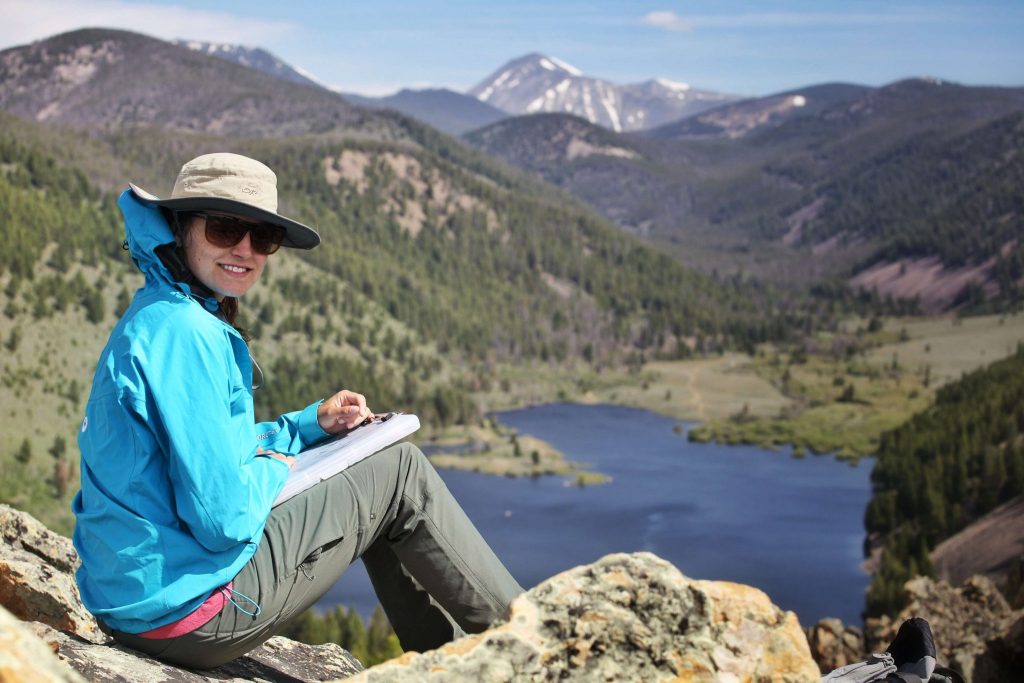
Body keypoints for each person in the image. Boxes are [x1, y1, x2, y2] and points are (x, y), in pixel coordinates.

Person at [72, 152, 523, 669]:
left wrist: (308, 427)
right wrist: (277, 466)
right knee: (399, 472)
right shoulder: (186, 334)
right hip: (187, 610)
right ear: (181, 229)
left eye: (262, 237)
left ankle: (446, 664)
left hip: (140, 596)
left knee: (370, 477)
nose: (245, 249)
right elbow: (223, 520)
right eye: (224, 229)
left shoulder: (159, 312)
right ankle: (531, 649)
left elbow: (206, 451)